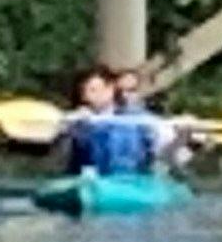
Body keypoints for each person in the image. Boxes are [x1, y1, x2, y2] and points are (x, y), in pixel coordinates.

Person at [52, 64, 180, 178]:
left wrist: (183, 136)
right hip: (89, 177)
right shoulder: (78, 119)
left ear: (111, 88)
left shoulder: (138, 118)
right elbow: (57, 137)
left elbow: (168, 141)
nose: (90, 96)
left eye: (95, 89)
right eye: (86, 92)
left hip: (135, 179)